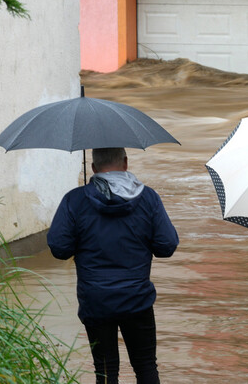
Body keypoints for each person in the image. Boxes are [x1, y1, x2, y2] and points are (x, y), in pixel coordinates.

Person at [48, 147, 179, 384]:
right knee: (146, 367)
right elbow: (166, 246)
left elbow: (59, 249)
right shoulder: (148, 198)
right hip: (137, 299)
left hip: (95, 301)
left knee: (106, 371)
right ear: (126, 163)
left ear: (94, 168)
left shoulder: (75, 200)